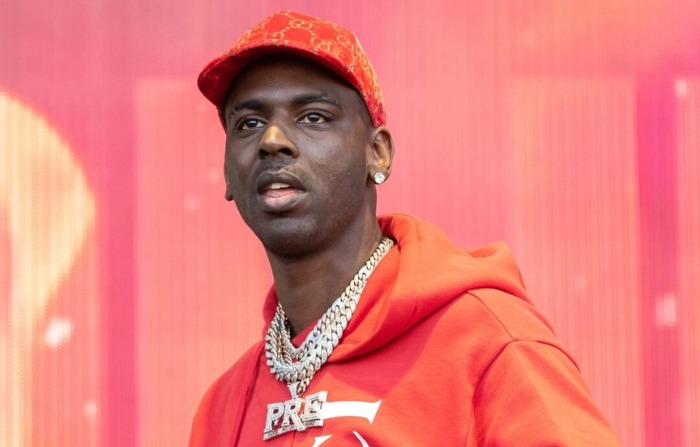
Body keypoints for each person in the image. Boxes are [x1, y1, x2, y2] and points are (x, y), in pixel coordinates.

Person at [190, 10, 621, 446]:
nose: (272, 140)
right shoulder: (223, 408)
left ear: (377, 153)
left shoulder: (489, 343)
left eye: (313, 116)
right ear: (228, 173)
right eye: (248, 124)